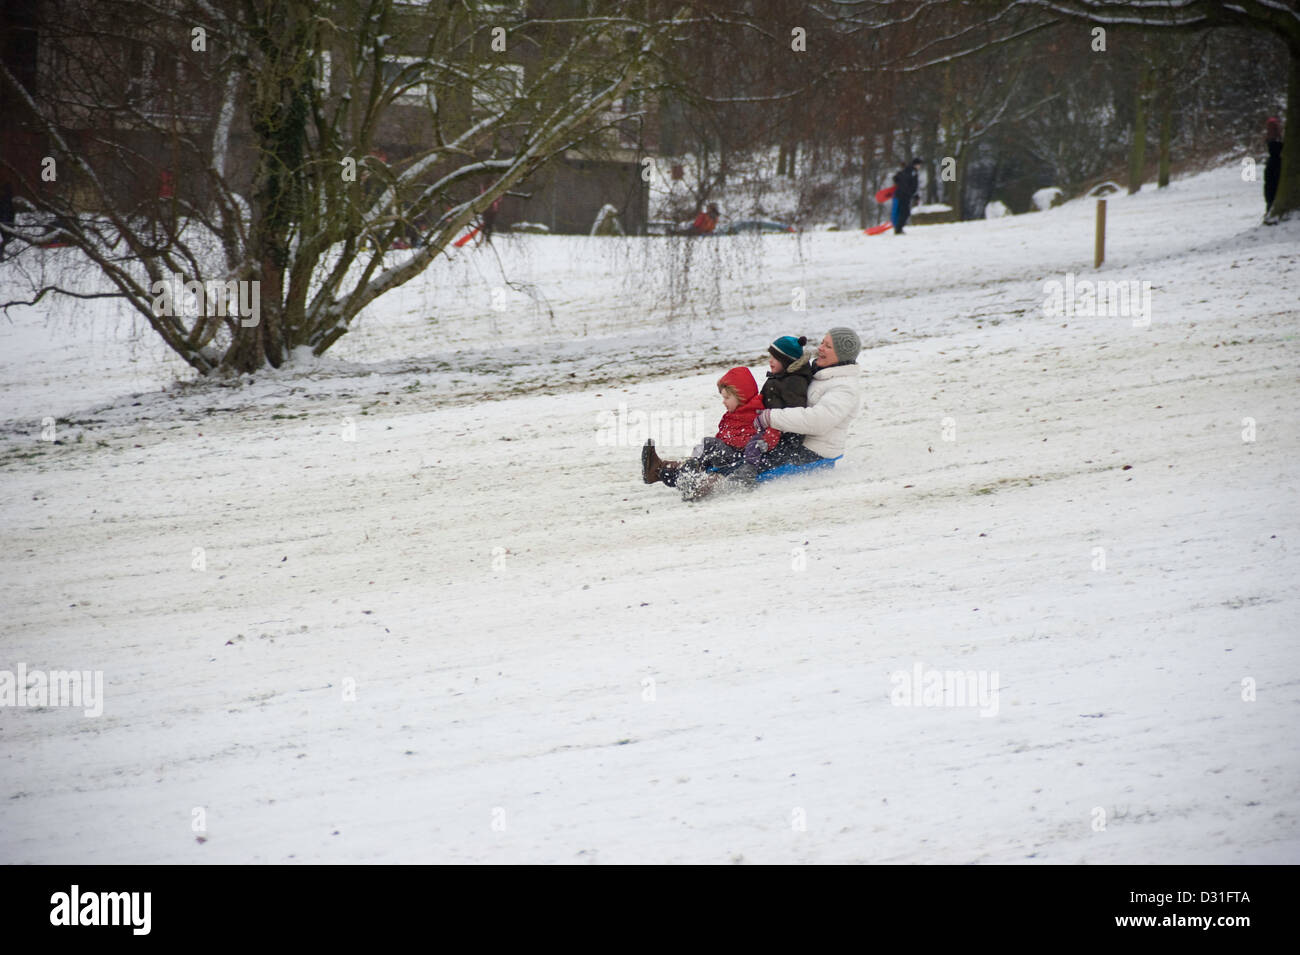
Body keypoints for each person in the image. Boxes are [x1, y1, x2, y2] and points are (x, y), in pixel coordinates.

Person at [725, 326, 863, 489]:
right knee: (741, 450)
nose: (820, 348)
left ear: (841, 355)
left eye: (828, 346)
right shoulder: (818, 373)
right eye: (822, 343)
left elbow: (818, 421)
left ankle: (717, 483)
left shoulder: (844, 388)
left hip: (814, 451)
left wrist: (771, 417)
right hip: (792, 439)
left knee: (749, 464)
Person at [641, 366, 778, 500]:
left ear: (741, 396)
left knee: (708, 444)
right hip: (731, 457)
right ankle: (660, 471)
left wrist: (754, 454)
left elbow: (771, 434)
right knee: (706, 453)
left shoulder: (759, 413)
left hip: (742, 460)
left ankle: (685, 475)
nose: (723, 402)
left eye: (727, 397)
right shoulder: (735, 414)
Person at [741, 334, 814, 468]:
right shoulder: (778, 378)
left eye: (775, 358)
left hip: (784, 439)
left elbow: (795, 415)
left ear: (787, 361)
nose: (770, 361)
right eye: (770, 357)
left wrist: (786, 440)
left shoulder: (794, 382)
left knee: (757, 450)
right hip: (768, 429)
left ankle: (748, 471)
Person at [891, 158, 923, 234]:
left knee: (903, 212)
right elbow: (911, 186)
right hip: (904, 195)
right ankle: (898, 229)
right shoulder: (912, 172)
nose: (920, 166)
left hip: (901, 194)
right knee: (905, 212)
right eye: (919, 165)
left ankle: (898, 228)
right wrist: (914, 195)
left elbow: (896, 178)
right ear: (916, 164)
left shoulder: (906, 170)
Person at [1264, 117, 1283, 214]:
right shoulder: (1274, 140)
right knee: (1272, 191)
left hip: (1272, 167)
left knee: (1271, 193)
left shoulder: (1270, 138)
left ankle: (1270, 210)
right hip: (1276, 167)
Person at [0, 183, 15, 261]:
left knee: (5, 239)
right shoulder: (5, 200)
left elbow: (11, 213)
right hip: (5, 223)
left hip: (7, 223)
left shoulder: (8, 200)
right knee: (4, 239)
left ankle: (0, 254)